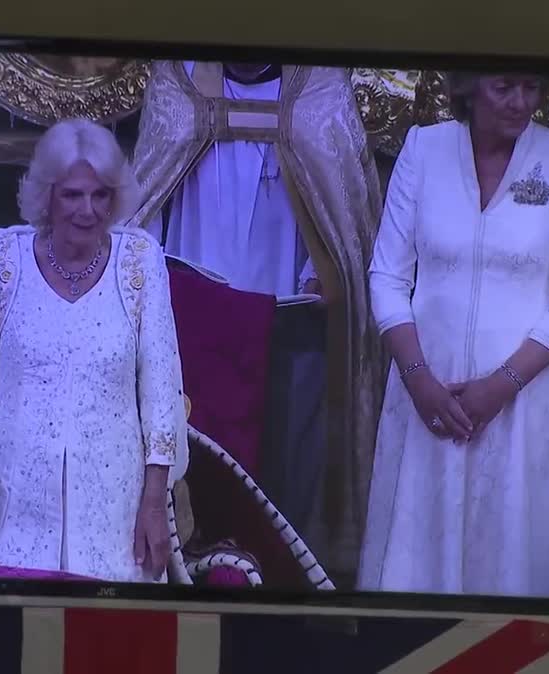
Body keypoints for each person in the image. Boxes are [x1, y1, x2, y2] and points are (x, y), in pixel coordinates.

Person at [127, 61, 386, 576]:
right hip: (188, 318)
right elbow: (147, 195)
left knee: (278, 466)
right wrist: (146, 268)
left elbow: (343, 204)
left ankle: (279, 575)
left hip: (287, 322)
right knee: (193, 463)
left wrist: (321, 272)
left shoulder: (319, 89)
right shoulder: (178, 82)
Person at [0, 118, 190, 582]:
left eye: (100, 195)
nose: (88, 210)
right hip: (10, 500)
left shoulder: (141, 261)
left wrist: (154, 502)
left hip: (112, 506)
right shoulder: (2, 259)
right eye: (72, 194)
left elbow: (161, 389)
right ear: (46, 196)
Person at [358, 72, 549, 598]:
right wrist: (418, 380)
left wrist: (499, 387)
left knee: (508, 567)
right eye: (505, 87)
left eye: (532, 88)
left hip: (523, 404)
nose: (521, 102)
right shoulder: (424, 147)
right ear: (468, 87)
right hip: (427, 399)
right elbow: (388, 275)